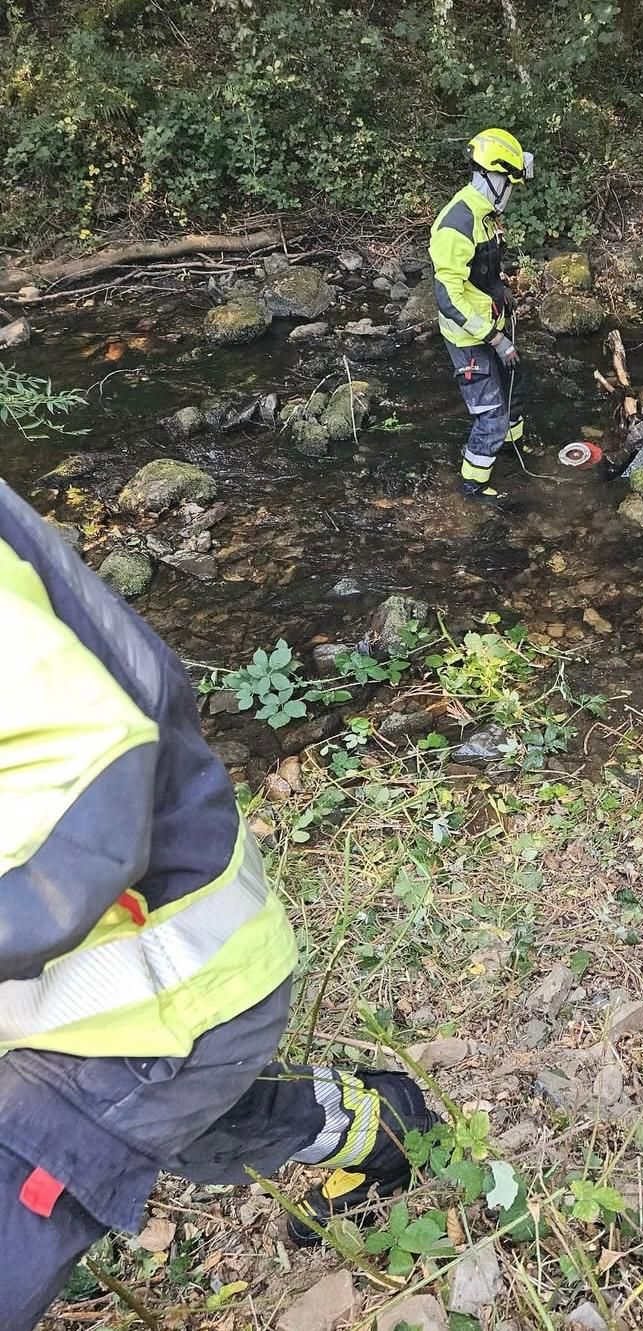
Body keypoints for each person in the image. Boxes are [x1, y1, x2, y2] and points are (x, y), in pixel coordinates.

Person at [0, 481, 435, 1330]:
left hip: (146, 1003)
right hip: (151, 991)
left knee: (185, 1102)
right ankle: (389, 1124)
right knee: (214, 1124)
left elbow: (90, 782)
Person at [430, 127, 534, 501]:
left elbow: (483, 270)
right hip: (470, 338)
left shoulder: (485, 214)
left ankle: (511, 454)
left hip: (493, 324)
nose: (510, 192)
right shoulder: (456, 223)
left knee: (514, 391)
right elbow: (448, 299)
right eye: (509, 182)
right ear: (492, 177)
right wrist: (496, 338)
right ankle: (473, 490)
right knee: (490, 416)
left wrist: (502, 287)